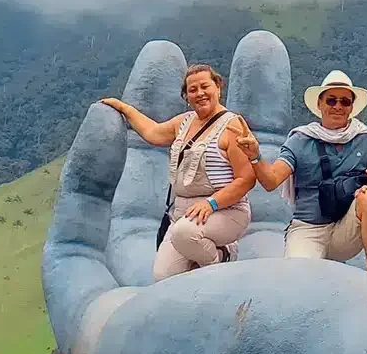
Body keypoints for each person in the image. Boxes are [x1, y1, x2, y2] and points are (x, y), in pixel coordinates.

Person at [100, 64, 256, 281]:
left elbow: (246, 179)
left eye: (205, 86)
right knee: (163, 277)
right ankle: (204, 260)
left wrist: (211, 203)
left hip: (225, 211)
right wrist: (123, 108)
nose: (199, 93)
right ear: (186, 96)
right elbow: (153, 132)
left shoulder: (233, 126)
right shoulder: (183, 122)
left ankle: (221, 259)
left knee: (186, 233)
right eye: (192, 90)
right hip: (183, 213)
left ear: (218, 87)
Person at [232, 70, 367, 275]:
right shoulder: (300, 139)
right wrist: (255, 155)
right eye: (331, 101)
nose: (338, 106)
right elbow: (271, 181)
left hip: (346, 227)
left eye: (345, 102)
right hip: (308, 227)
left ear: (351, 107)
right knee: (298, 278)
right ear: (319, 104)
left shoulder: (366, 140)